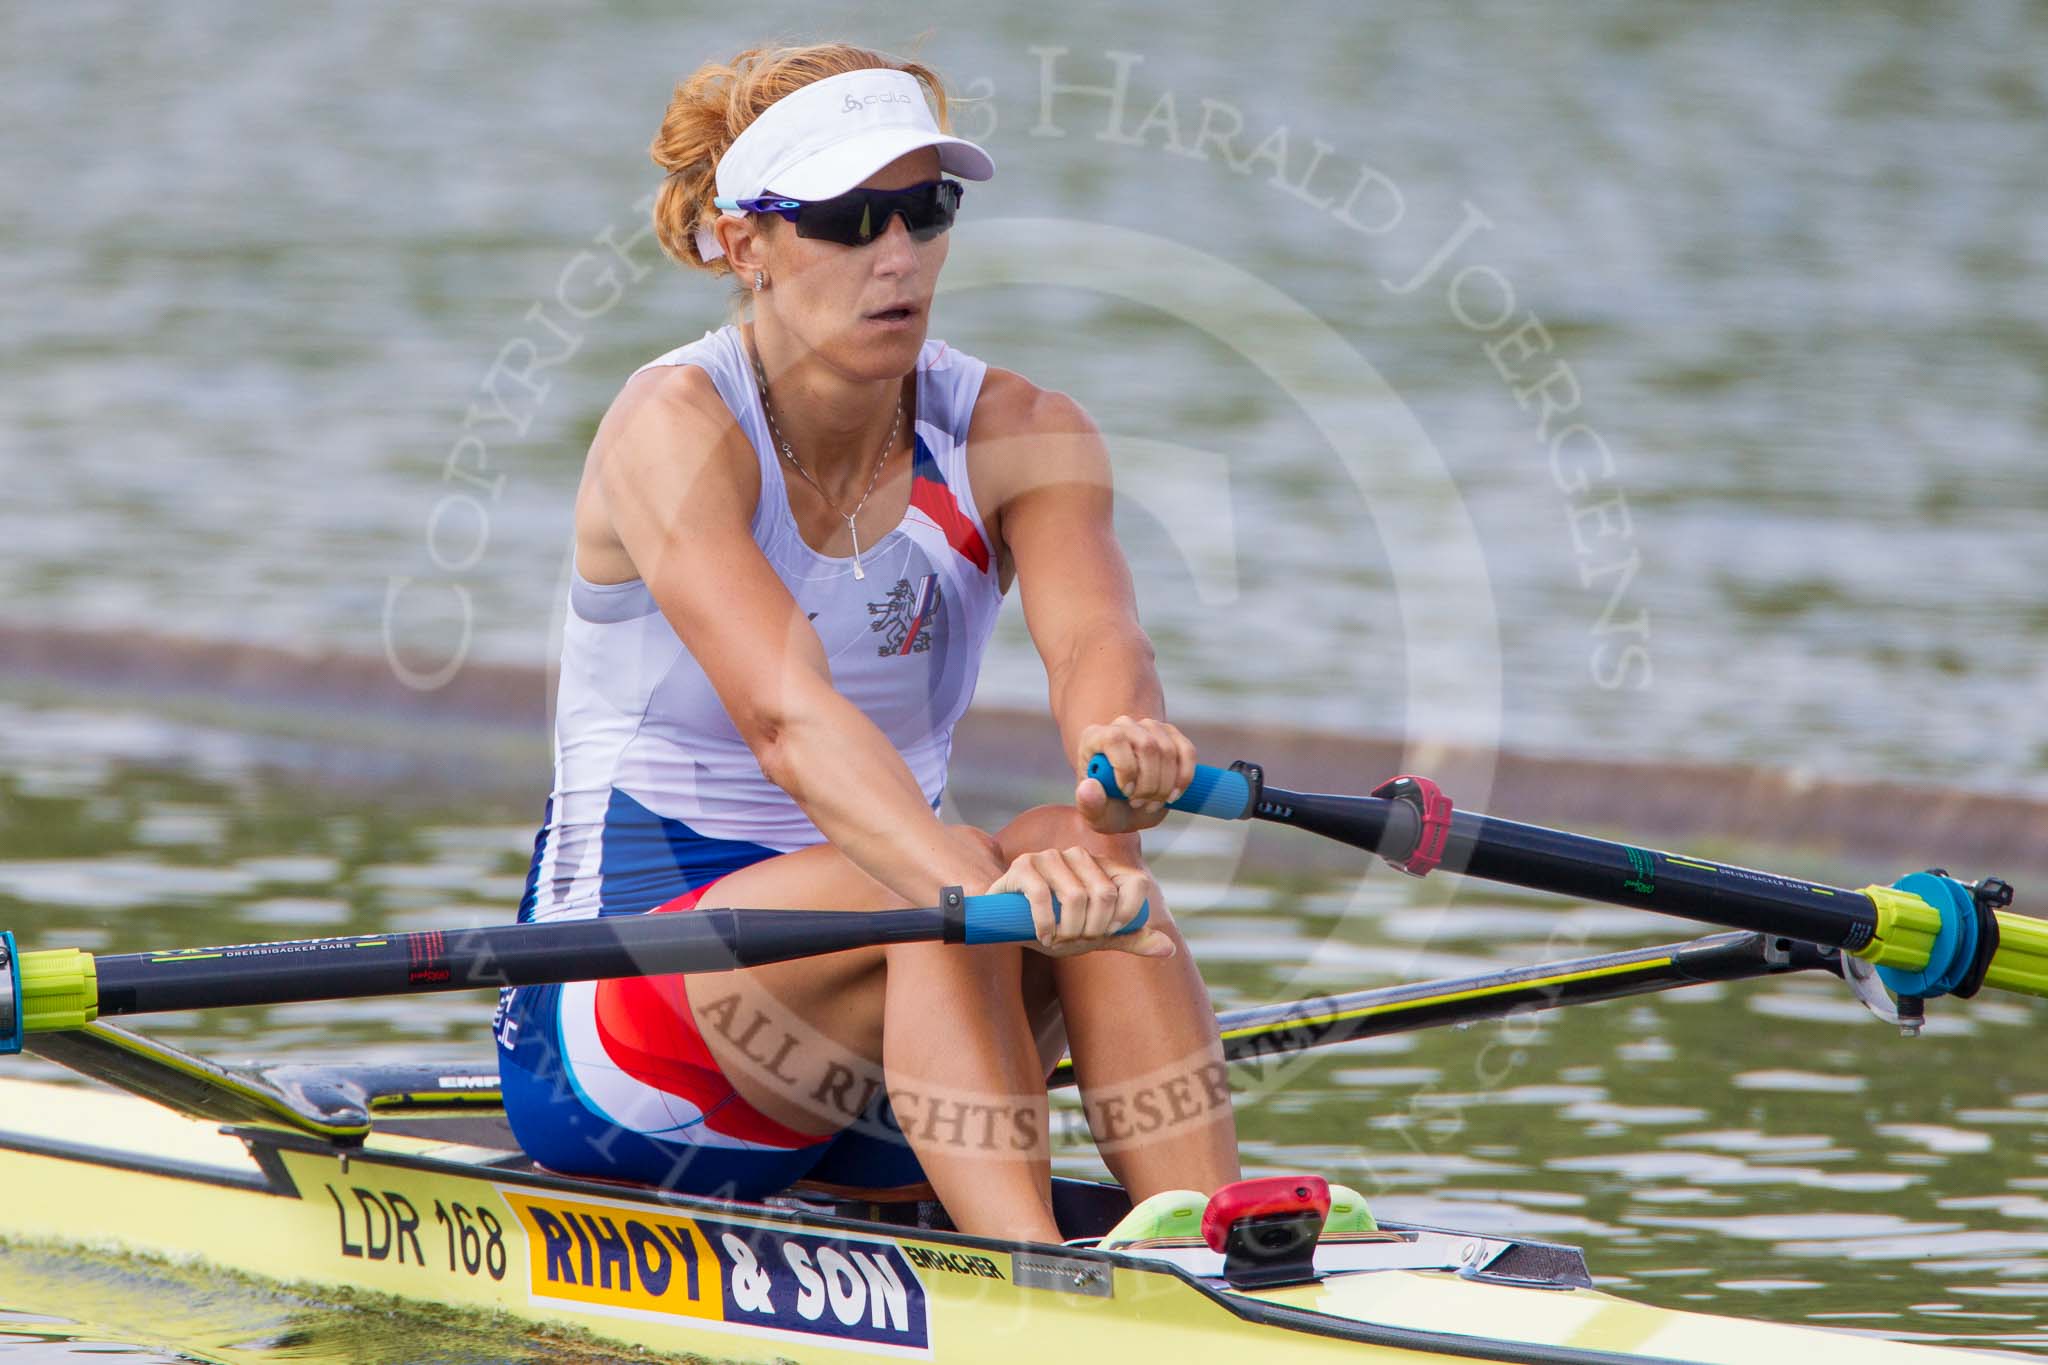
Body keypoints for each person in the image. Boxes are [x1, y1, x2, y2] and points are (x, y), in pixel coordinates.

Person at [495, 42, 1241, 1244]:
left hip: (893, 1035)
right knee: (937, 879)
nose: (897, 256)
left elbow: (1097, 641)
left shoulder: (1018, 430)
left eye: (924, 210)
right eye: (847, 221)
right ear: (744, 244)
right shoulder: (674, 426)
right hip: (625, 1042)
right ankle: (1030, 1276)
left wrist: (1121, 755)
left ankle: (1212, 1236)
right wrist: (969, 892)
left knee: (1077, 857)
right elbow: (785, 719)